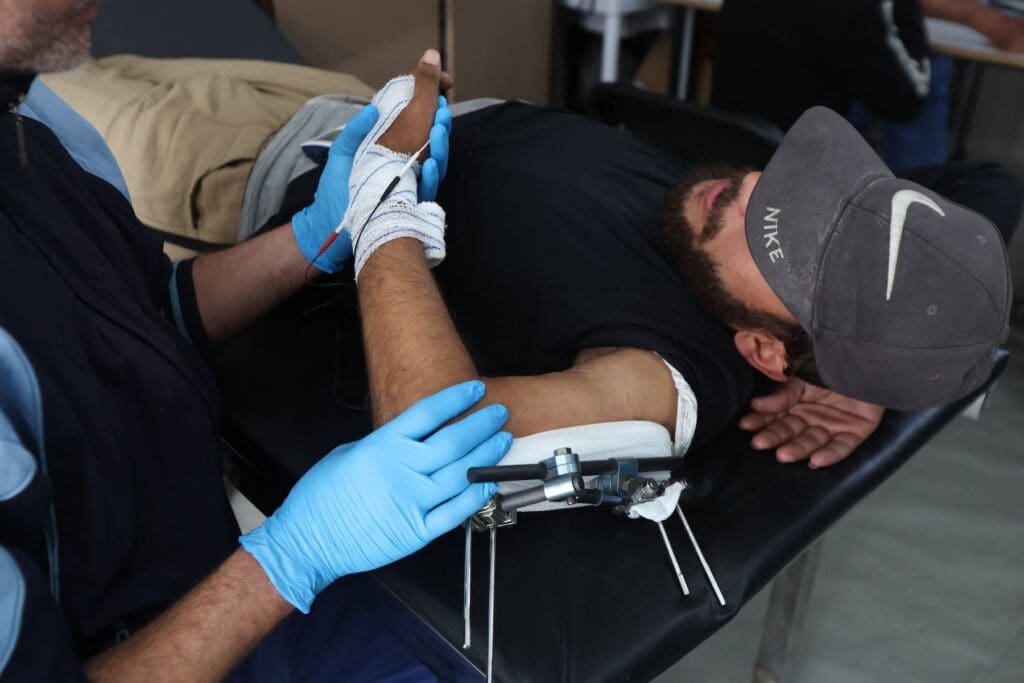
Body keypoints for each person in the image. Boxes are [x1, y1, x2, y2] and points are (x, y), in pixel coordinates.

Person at [0, 1, 498, 679]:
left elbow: (144, 309)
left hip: (221, 588)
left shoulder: (30, 122)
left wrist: (316, 234)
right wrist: (293, 556)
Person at [318, 56, 1012, 477]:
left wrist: (387, 185)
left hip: (293, 180)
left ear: (766, 351)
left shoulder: (671, 378)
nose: (747, 191)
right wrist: (869, 378)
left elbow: (426, 423)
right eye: (800, 191)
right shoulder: (719, 230)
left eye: (782, 243)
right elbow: (995, 183)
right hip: (363, 105)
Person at [712, 0, 1024, 169]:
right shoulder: (861, 9)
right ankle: (922, 232)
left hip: (732, 149)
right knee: (923, 86)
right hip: (792, 171)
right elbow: (907, 99)